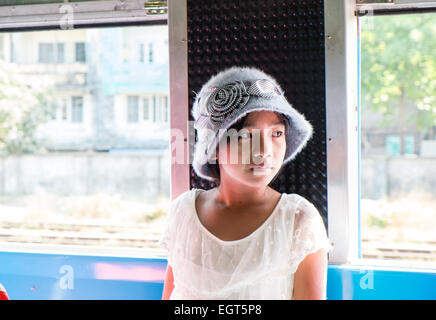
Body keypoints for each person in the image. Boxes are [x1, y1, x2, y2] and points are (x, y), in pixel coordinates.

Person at [160, 66, 333, 300]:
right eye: (246, 136)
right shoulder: (183, 213)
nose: (264, 151)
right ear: (213, 147)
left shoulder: (298, 220)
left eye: (277, 134)